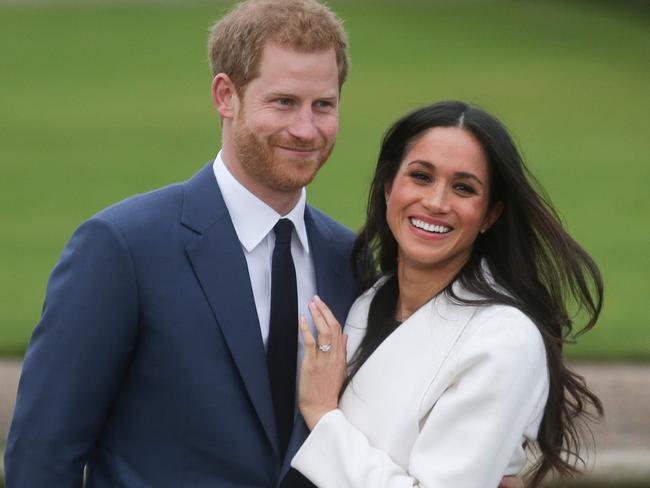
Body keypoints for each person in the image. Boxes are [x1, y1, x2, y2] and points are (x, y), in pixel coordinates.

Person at [5, 1, 356, 486]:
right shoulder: (122, 248)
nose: (305, 128)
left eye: (324, 105)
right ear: (225, 95)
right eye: (283, 102)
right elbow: (41, 458)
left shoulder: (350, 259)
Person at [291, 101, 604, 487]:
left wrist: (323, 416)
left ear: (490, 214)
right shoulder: (366, 300)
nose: (436, 203)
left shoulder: (503, 340)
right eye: (421, 176)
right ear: (390, 188)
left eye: (463, 188)